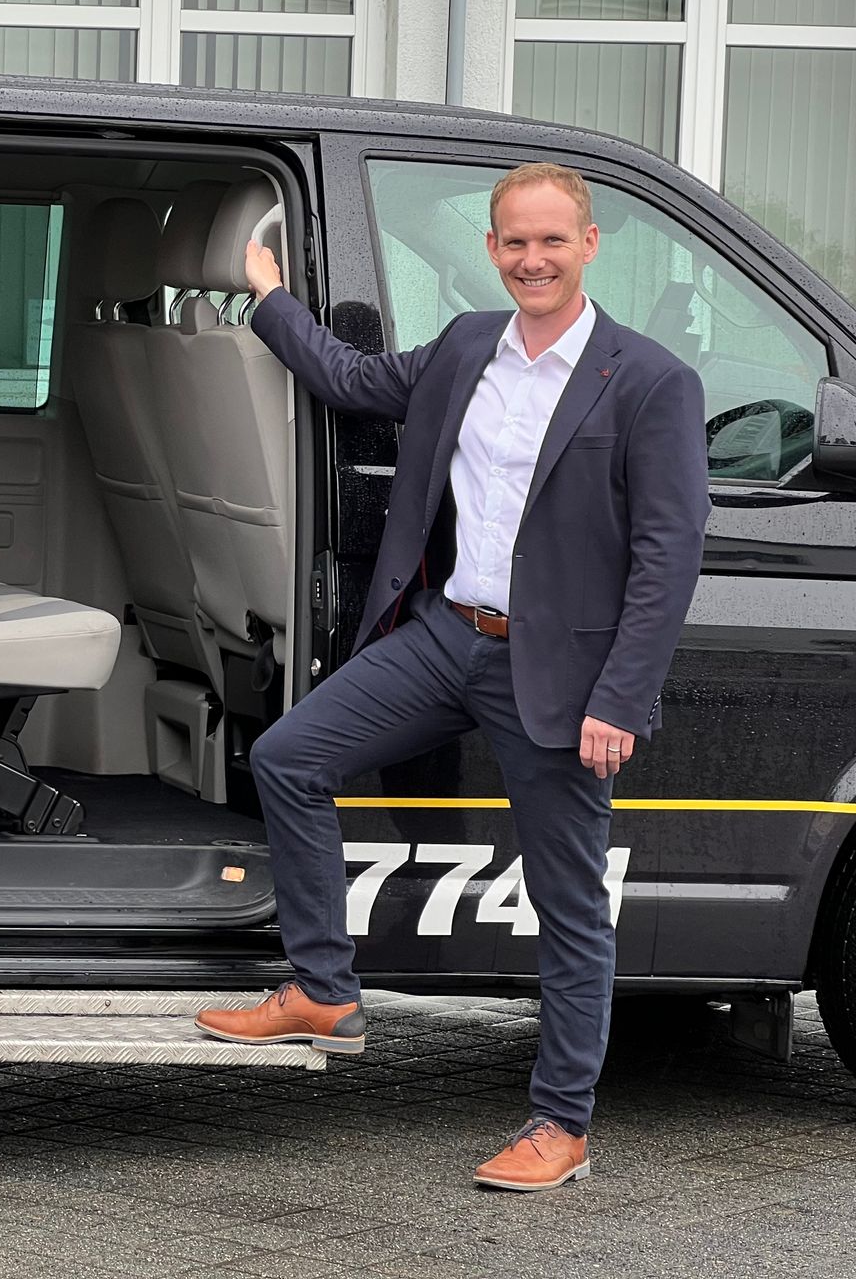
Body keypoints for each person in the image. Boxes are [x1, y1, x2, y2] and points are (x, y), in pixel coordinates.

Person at [195, 162, 709, 1191]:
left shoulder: (650, 380)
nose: (533, 259)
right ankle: (324, 990)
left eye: (552, 241)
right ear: (491, 248)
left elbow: (669, 555)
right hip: (444, 636)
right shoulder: (470, 344)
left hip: (559, 671)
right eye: (515, 242)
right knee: (291, 758)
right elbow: (351, 379)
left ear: (589, 244)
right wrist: (269, 298)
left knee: (568, 904)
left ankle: (561, 1125)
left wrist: (619, 697)